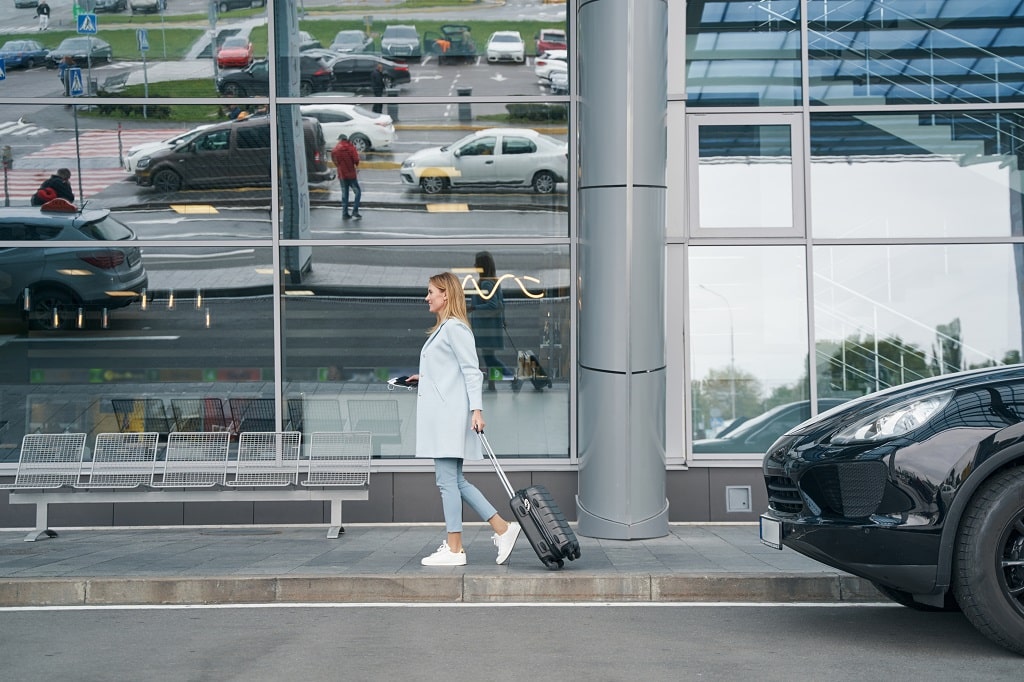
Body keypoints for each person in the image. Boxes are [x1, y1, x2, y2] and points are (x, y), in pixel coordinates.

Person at [409, 272, 521, 567]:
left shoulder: (455, 328)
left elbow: (472, 371)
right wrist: (425, 377)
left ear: (445, 295)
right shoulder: (445, 328)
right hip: (445, 416)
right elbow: (452, 371)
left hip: (449, 418)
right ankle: (503, 529)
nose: (427, 297)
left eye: (431, 291)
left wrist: (477, 410)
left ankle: (456, 549)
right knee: (454, 481)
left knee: (447, 482)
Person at [468, 251, 510, 390]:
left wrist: (474, 307)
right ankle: (492, 384)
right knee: (489, 358)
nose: (474, 265)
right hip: (493, 326)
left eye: (477, 263)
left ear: (482, 266)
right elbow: (501, 304)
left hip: (487, 328)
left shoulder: (485, 284)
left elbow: (492, 305)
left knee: (490, 358)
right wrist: (503, 320)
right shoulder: (494, 281)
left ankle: (511, 377)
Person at [331, 134, 361, 220]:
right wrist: (356, 165)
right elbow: (356, 159)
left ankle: (345, 213)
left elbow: (333, 158)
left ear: (340, 140)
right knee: (357, 192)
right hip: (351, 174)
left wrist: (338, 166)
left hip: (342, 175)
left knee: (345, 194)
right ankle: (355, 211)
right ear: (346, 139)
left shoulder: (336, 149)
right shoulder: (351, 147)